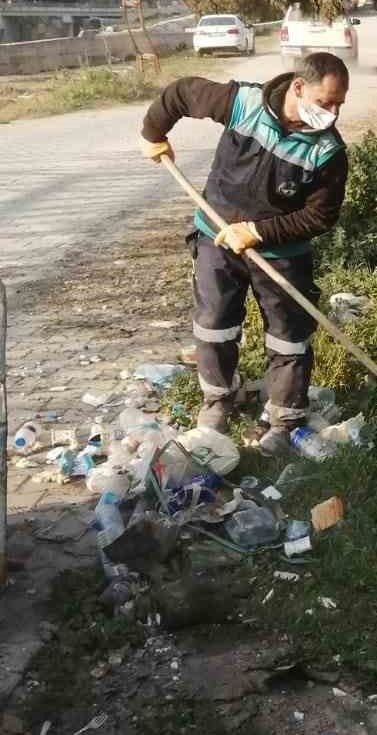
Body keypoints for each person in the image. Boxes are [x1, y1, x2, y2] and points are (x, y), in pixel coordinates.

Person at [140, 53, 350, 457]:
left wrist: (256, 232)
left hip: (282, 253)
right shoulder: (243, 104)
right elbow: (181, 93)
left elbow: (321, 216)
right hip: (215, 237)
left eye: (339, 103)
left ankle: (285, 418)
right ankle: (219, 400)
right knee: (214, 324)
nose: (333, 112)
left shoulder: (328, 150)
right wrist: (153, 132)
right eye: (326, 102)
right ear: (299, 88)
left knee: (289, 337)